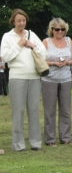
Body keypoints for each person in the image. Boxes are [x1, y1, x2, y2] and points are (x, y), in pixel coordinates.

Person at [0, 8, 46, 151]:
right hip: (17, 78)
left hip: (34, 77)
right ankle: (18, 145)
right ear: (13, 21)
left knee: (33, 110)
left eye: (24, 20)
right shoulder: (7, 37)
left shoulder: (31, 34)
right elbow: (5, 57)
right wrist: (19, 44)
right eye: (19, 20)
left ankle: (35, 143)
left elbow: (44, 53)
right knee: (18, 111)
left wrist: (32, 46)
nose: (21, 23)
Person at [42, 18, 72, 147]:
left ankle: (65, 137)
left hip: (66, 79)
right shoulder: (46, 42)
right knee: (49, 110)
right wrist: (53, 63)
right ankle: (50, 139)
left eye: (62, 29)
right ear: (52, 30)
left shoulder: (69, 41)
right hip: (48, 80)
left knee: (66, 110)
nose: (60, 31)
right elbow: (39, 60)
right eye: (57, 29)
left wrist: (67, 62)